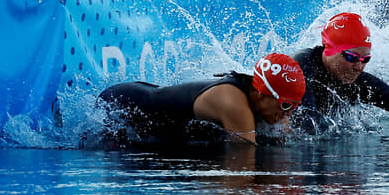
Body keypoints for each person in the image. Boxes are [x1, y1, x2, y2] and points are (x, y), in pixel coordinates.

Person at [98, 53, 306, 146]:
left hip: (151, 106)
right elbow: (241, 166)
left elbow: (283, 142)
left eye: (295, 106)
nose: (288, 114)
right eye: (286, 105)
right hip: (123, 104)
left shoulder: (272, 104)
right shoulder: (234, 106)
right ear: (261, 94)